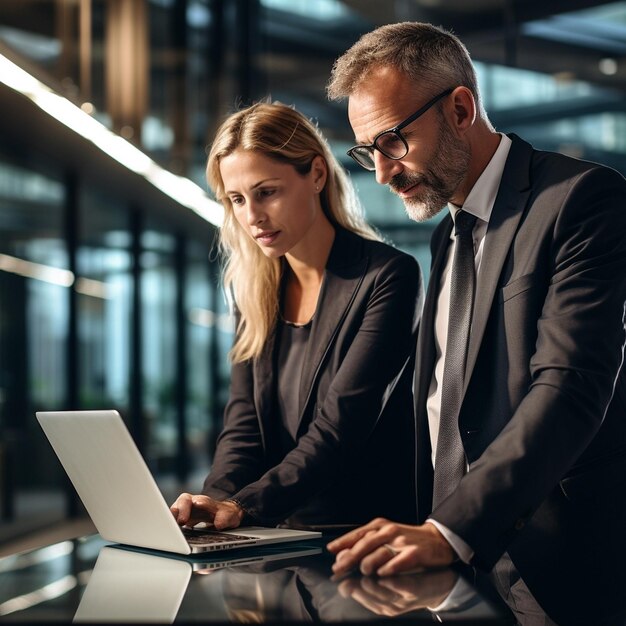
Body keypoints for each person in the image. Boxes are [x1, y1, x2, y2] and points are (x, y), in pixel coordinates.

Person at [325, 20, 626, 602]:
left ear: (460, 108)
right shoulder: (448, 237)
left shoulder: (581, 201)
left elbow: (569, 387)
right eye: (368, 152)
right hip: (453, 574)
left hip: (557, 568)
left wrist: (451, 529)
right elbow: (437, 401)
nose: (383, 172)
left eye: (394, 141)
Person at [171, 101, 422, 531]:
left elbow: (340, 429)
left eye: (267, 192)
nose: (252, 217)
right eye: (237, 199)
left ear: (317, 175)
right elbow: (243, 426)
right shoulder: (254, 289)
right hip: (278, 530)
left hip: (360, 536)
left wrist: (245, 506)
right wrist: (212, 502)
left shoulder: (386, 276)